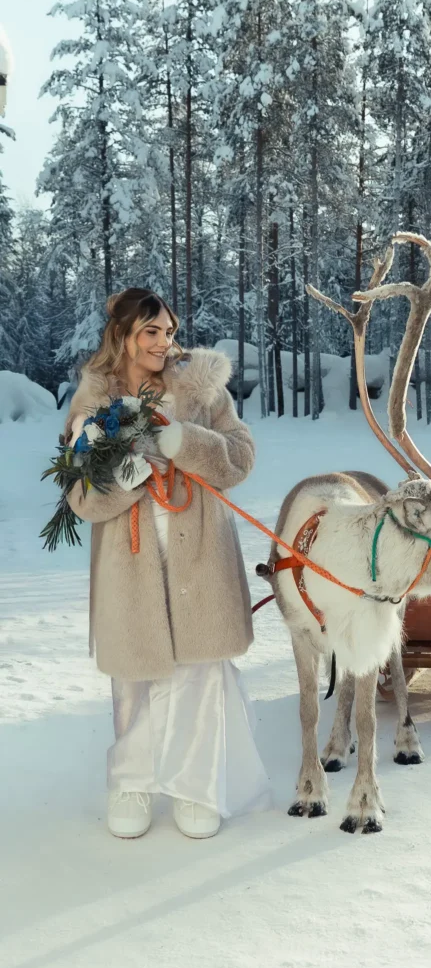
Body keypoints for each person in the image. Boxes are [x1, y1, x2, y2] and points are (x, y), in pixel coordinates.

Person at [65, 288, 270, 839]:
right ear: (123, 336)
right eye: (151, 332)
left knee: (199, 670)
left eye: (169, 332)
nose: (164, 343)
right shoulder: (94, 404)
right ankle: (131, 782)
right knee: (135, 675)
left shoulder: (200, 387)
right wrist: (131, 474)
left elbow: (240, 458)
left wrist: (182, 441)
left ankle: (195, 786)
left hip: (199, 552)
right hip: (129, 560)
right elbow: (81, 497)